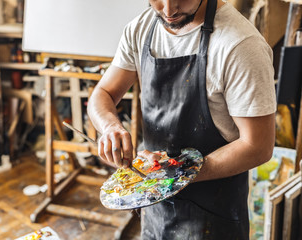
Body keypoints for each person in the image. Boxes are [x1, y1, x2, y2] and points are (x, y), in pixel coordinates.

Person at [87, 0, 276, 239]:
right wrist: (109, 126)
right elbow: (102, 94)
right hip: (154, 205)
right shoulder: (141, 29)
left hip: (212, 214)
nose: (168, 10)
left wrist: (179, 173)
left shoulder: (239, 45)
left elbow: (258, 146)